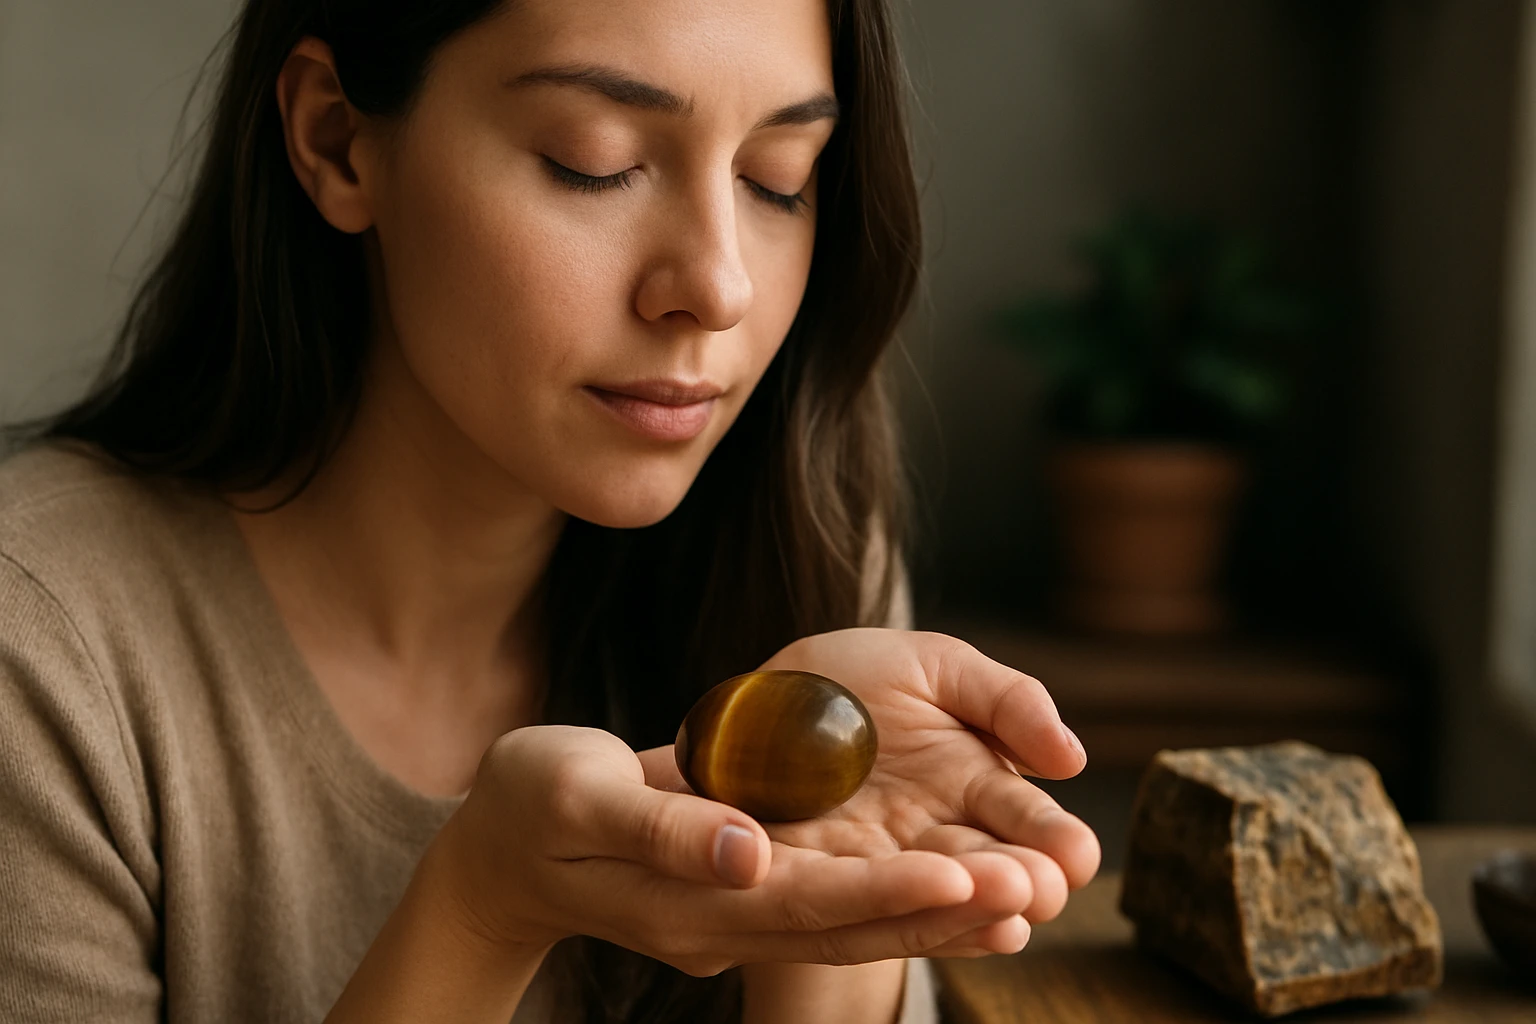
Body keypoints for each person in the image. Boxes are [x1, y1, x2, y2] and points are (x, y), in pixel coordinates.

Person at [0, 0, 1101, 1021]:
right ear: (337, 140)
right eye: (596, 163)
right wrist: (483, 911)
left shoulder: (797, 562)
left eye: (779, 177)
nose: (718, 286)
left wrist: (823, 920)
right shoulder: (42, 650)